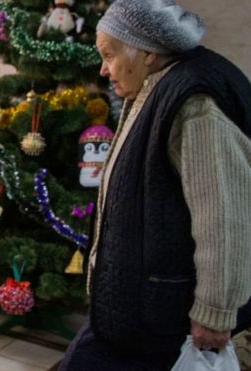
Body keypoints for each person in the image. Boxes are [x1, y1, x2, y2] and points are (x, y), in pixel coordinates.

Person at [60, 0, 251, 369]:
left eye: (109, 55)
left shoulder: (194, 101)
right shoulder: (154, 85)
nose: (103, 69)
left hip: (164, 326)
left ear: (146, 51)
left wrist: (214, 310)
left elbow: (224, 216)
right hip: (132, 318)